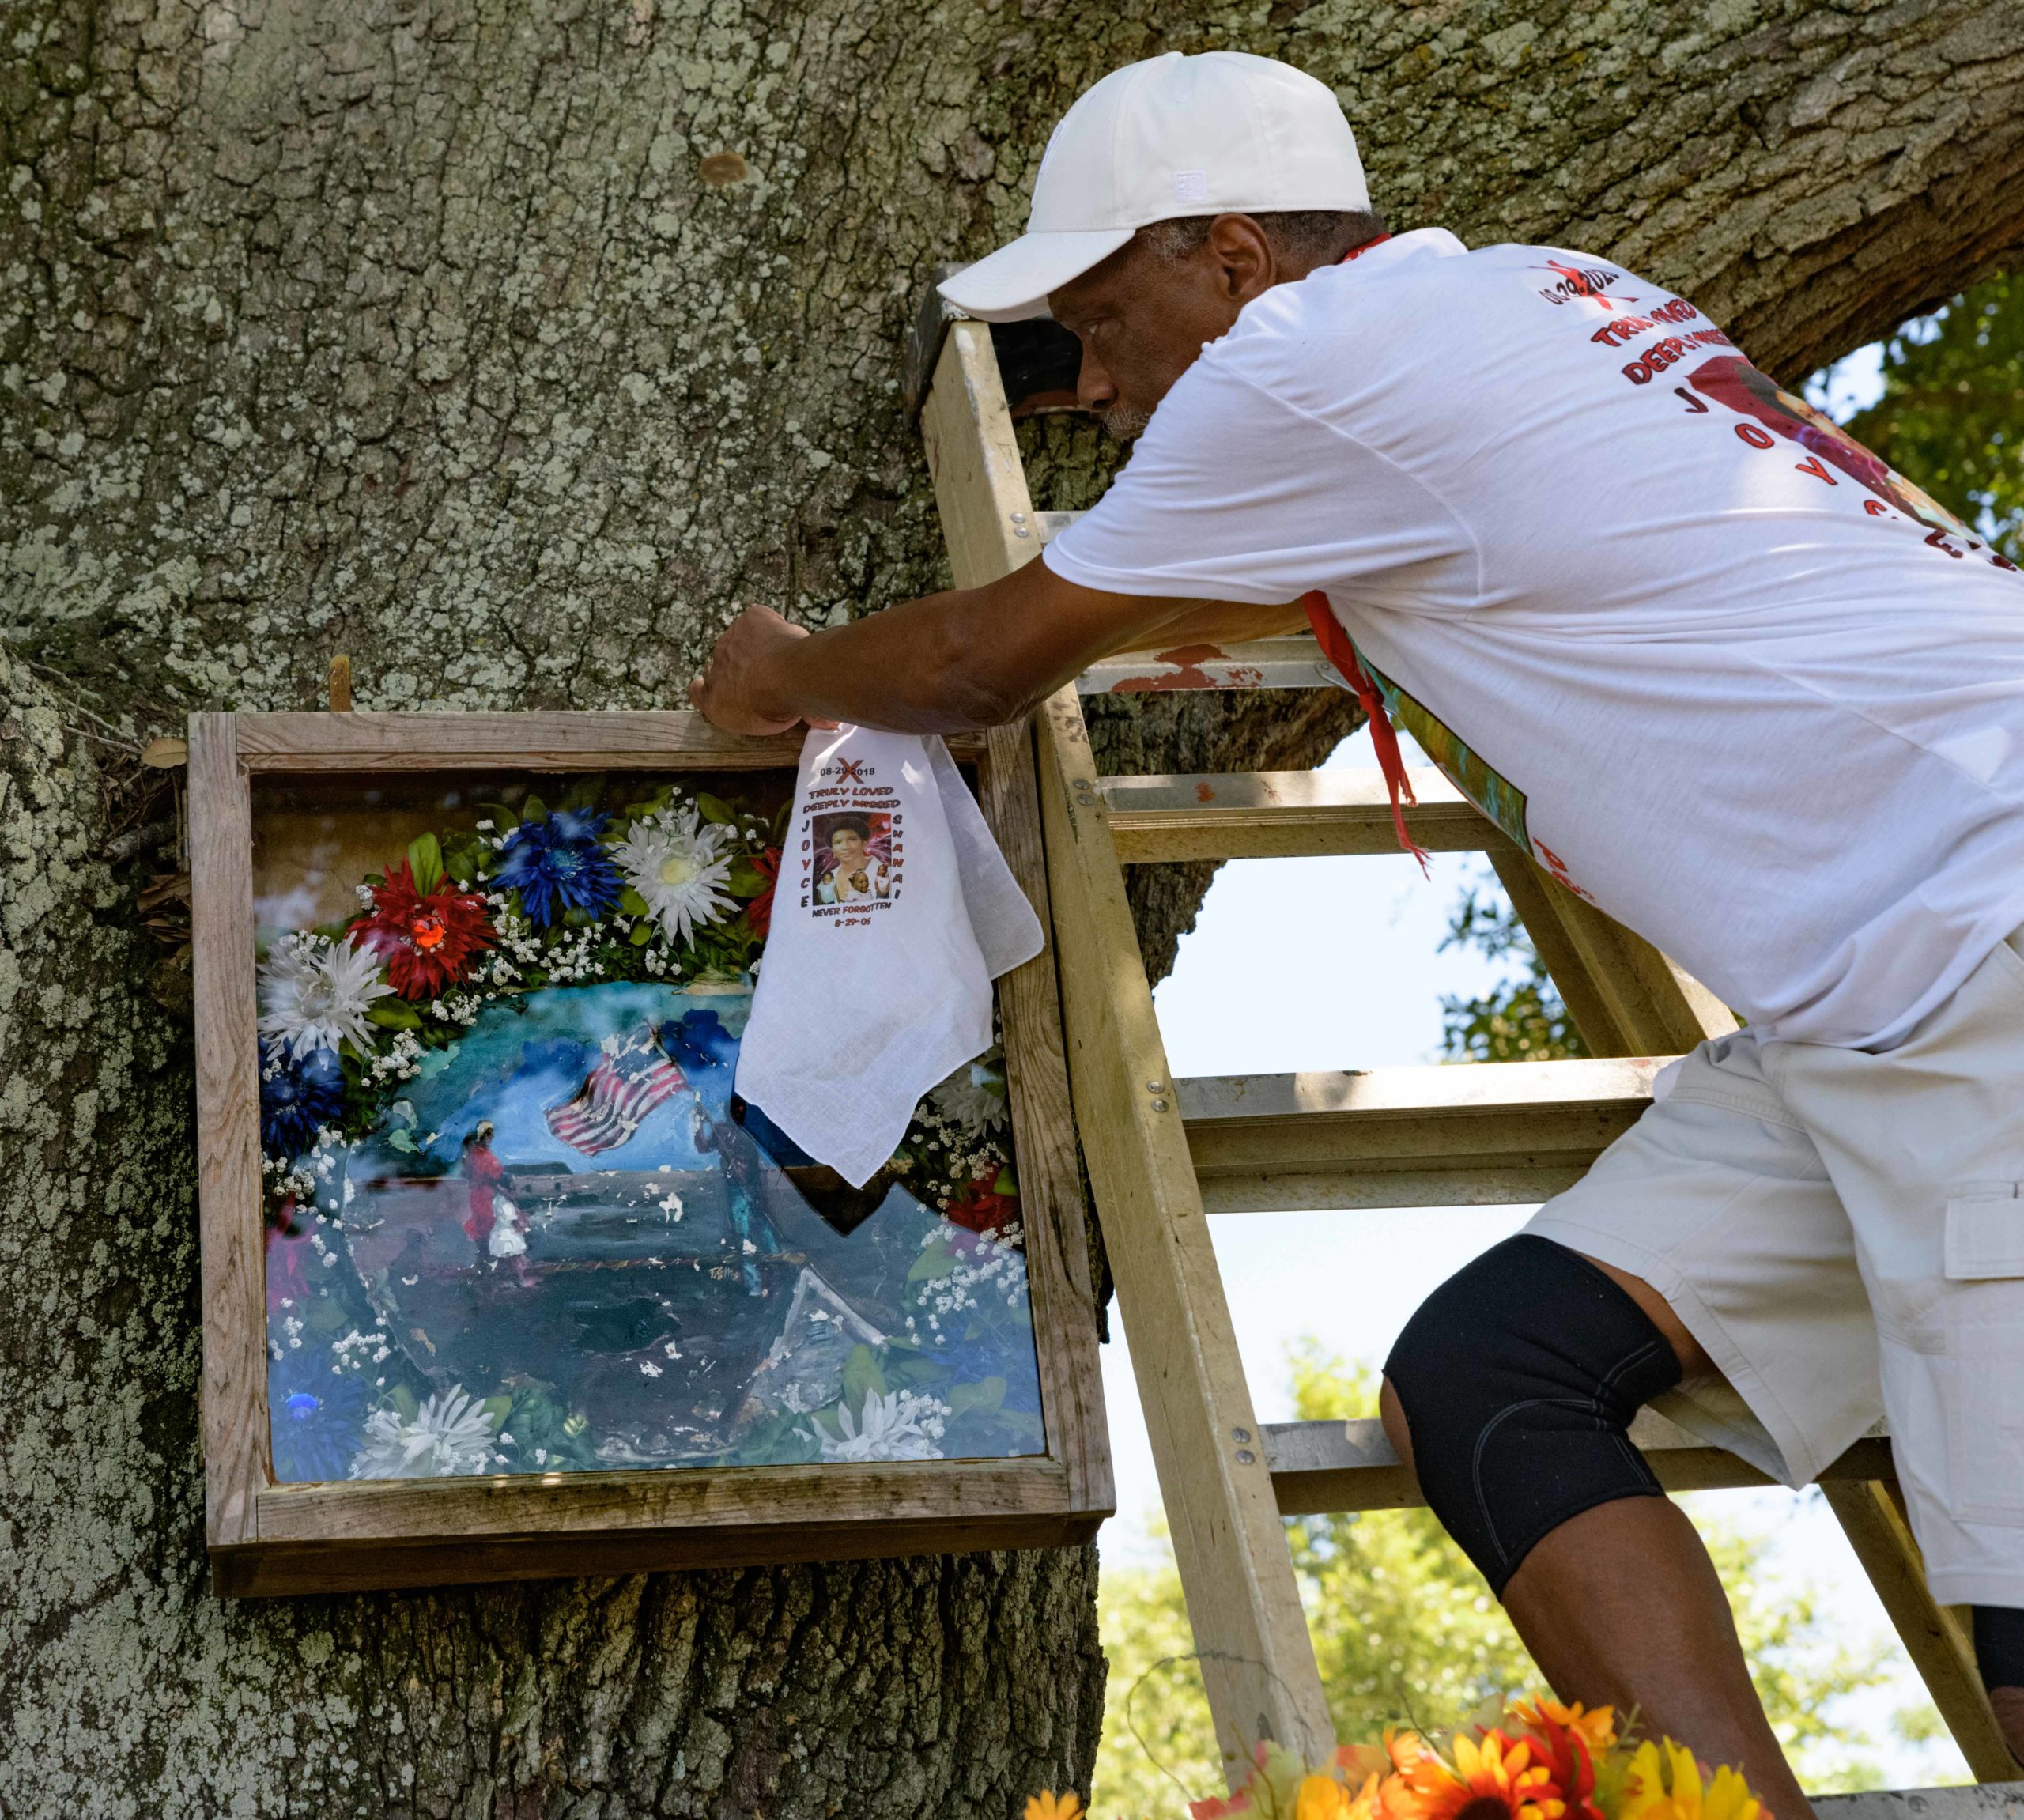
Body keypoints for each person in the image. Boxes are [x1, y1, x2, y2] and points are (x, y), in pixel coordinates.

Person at [688, 48, 2024, 1805]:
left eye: (1099, 317)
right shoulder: (1553, 290)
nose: (1084, 385)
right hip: (1869, 1002)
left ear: (1233, 259)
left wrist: (780, 674)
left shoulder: (1302, 375)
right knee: (1491, 1373)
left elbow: (973, 666)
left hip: (1971, 973)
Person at [815, 817, 891, 904]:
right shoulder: (829, 878)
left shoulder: (886, 873)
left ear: (864, 843)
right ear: (833, 850)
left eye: (852, 839)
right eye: (838, 842)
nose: (845, 847)